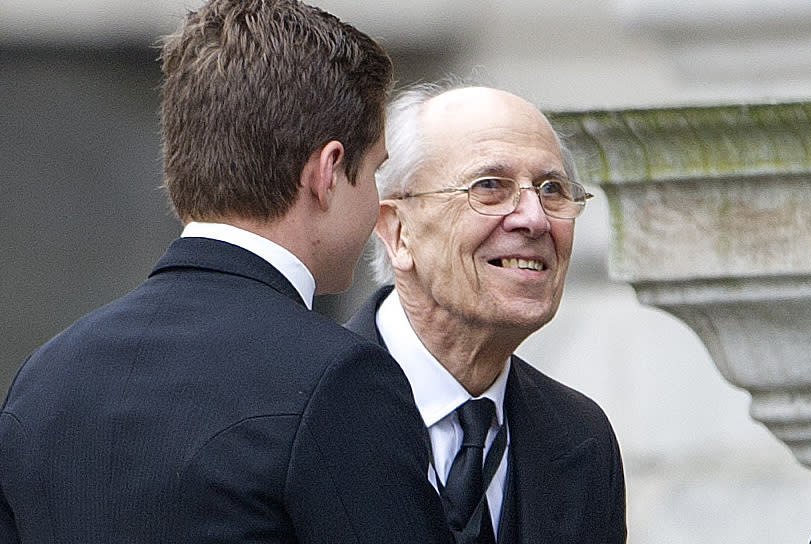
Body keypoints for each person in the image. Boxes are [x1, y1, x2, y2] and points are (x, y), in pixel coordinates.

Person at [0, 1, 452, 542]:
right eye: (375, 170)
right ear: (328, 172)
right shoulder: (341, 380)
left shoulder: (44, 376)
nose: (377, 200)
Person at [346, 83, 627, 543]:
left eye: (552, 189)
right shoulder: (301, 417)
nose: (534, 218)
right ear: (398, 232)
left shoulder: (582, 439)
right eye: (490, 187)